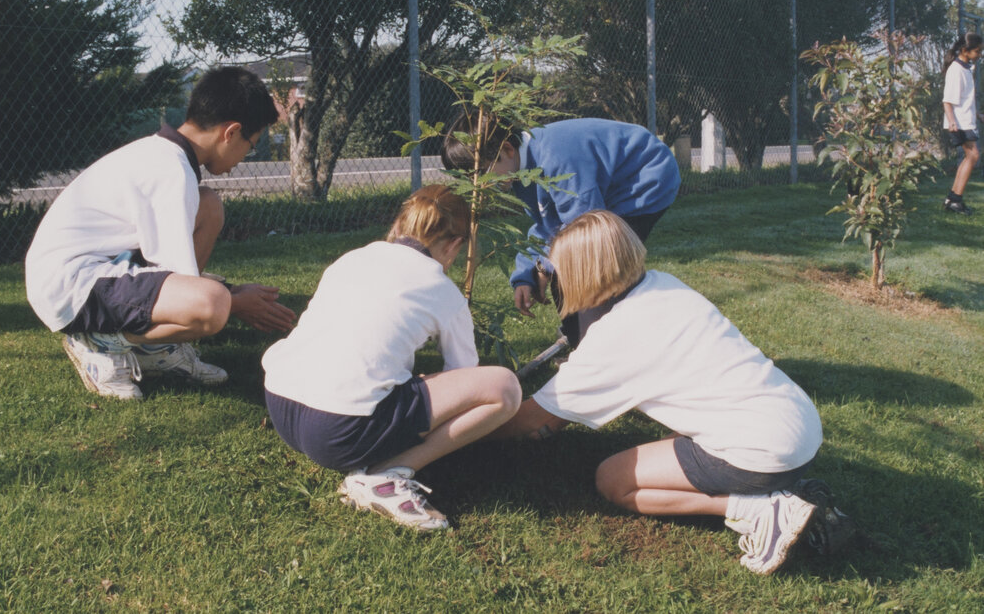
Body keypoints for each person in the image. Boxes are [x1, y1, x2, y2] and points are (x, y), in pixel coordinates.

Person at [490, 210, 829, 575]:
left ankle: (760, 509)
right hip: (800, 426)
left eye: (557, 271)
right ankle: (788, 489)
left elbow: (530, 420)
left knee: (613, 480)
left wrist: (466, 425)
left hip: (764, 453)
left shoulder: (614, 337)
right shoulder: (663, 284)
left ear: (579, 274)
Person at [25, 66, 297, 400]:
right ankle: (101, 342)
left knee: (208, 206)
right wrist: (236, 301)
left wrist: (232, 292)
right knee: (211, 306)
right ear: (230, 132)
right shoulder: (171, 171)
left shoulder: (165, 155)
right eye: (250, 146)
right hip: (72, 287)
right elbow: (184, 282)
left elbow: (172, 271)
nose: (244, 157)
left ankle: (154, 350)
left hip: (86, 272)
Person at [261, 185, 521, 532]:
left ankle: (378, 460)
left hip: (281, 406)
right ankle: (388, 474)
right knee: (504, 387)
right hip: (337, 432)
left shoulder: (351, 257)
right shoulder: (444, 290)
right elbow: (466, 376)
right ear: (455, 246)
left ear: (400, 226)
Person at [441, 114, 681, 346]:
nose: (480, 185)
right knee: (563, 266)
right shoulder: (520, 171)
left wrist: (546, 266)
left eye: (482, 173)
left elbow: (584, 231)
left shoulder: (558, 160)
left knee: (597, 263)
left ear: (508, 150)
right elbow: (548, 224)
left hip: (643, 181)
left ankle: (607, 339)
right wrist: (527, 273)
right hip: (599, 193)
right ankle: (584, 338)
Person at [942, 32, 983, 215]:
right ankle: (955, 199)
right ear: (965, 50)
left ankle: (953, 198)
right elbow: (947, 101)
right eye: (977, 51)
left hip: (966, 120)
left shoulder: (966, 68)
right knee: (973, 156)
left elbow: (965, 99)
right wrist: (951, 121)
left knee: (970, 157)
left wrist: (977, 114)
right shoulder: (956, 70)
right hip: (959, 123)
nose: (980, 54)